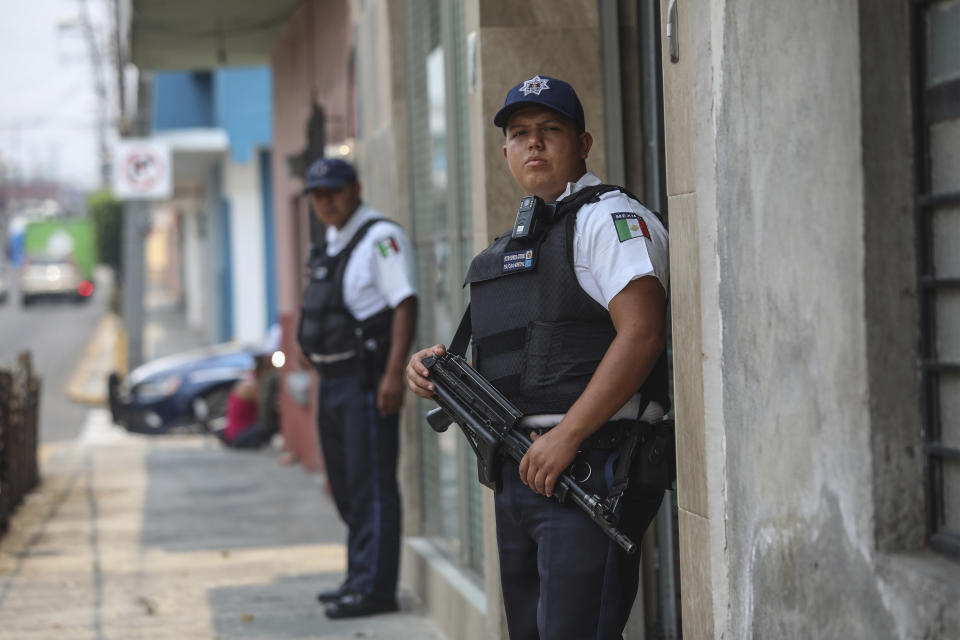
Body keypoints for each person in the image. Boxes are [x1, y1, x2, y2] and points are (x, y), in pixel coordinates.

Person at [406, 75, 670, 639]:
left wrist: (569, 436)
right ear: (505, 152)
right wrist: (439, 373)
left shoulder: (609, 220)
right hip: (520, 475)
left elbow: (643, 334)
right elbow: (530, 365)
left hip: (587, 468)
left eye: (550, 130)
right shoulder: (516, 246)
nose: (534, 145)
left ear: (584, 142)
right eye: (521, 134)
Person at [297, 157, 417, 619]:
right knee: (347, 485)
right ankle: (357, 575)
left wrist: (393, 375)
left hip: (367, 382)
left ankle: (376, 588)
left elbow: (404, 303)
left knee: (372, 485)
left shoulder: (380, 239)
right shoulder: (331, 240)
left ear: (355, 189)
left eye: (334, 191)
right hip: (332, 382)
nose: (325, 201)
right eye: (317, 194)